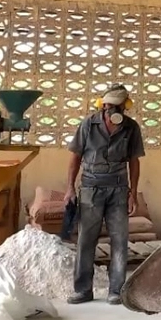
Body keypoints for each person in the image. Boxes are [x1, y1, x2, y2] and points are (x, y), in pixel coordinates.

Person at [64, 84, 145, 305]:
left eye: (116, 105)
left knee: (119, 240)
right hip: (90, 187)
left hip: (118, 188)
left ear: (125, 106)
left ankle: (116, 290)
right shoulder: (88, 125)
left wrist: (133, 194)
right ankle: (83, 290)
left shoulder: (131, 128)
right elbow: (75, 158)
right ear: (103, 104)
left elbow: (134, 163)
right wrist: (70, 187)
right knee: (86, 239)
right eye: (108, 105)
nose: (111, 109)